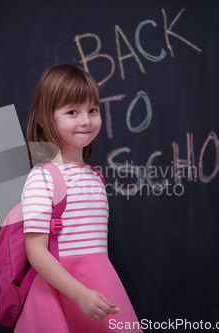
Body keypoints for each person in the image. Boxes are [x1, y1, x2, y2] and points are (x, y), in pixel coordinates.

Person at [14, 64, 142, 332]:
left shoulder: (95, 177)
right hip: (62, 292)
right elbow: (36, 251)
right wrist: (80, 294)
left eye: (92, 110)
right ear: (43, 118)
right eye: (72, 112)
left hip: (100, 284)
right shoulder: (43, 178)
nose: (86, 120)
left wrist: (90, 291)